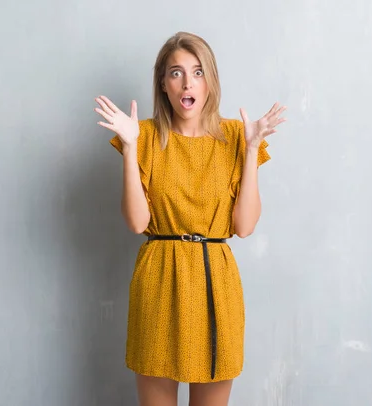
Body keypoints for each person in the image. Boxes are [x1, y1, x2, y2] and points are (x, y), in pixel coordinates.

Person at [94, 31, 286, 406]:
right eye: (176, 73)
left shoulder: (236, 135)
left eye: (197, 72)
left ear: (210, 81)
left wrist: (249, 151)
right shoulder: (144, 135)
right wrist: (131, 149)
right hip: (159, 280)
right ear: (163, 85)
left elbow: (244, 227)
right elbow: (136, 222)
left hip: (216, 284)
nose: (187, 82)